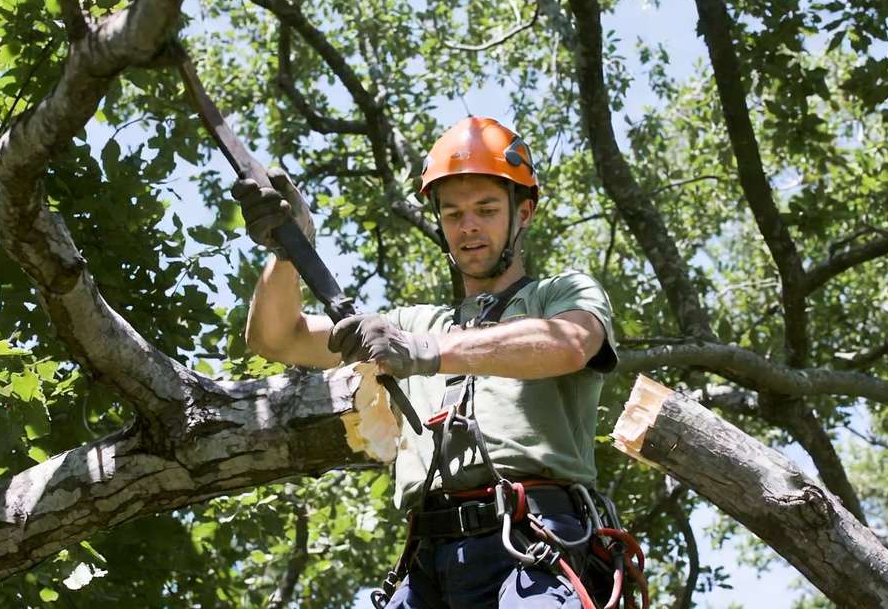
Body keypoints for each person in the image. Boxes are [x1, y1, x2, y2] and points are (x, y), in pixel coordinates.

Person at [238, 117, 619, 608]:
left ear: (522, 214)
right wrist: (289, 251)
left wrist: (425, 352)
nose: (469, 226)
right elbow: (277, 337)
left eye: (486, 209)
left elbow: (569, 343)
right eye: (453, 213)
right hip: (426, 565)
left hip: (533, 543)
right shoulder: (412, 321)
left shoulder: (559, 295)